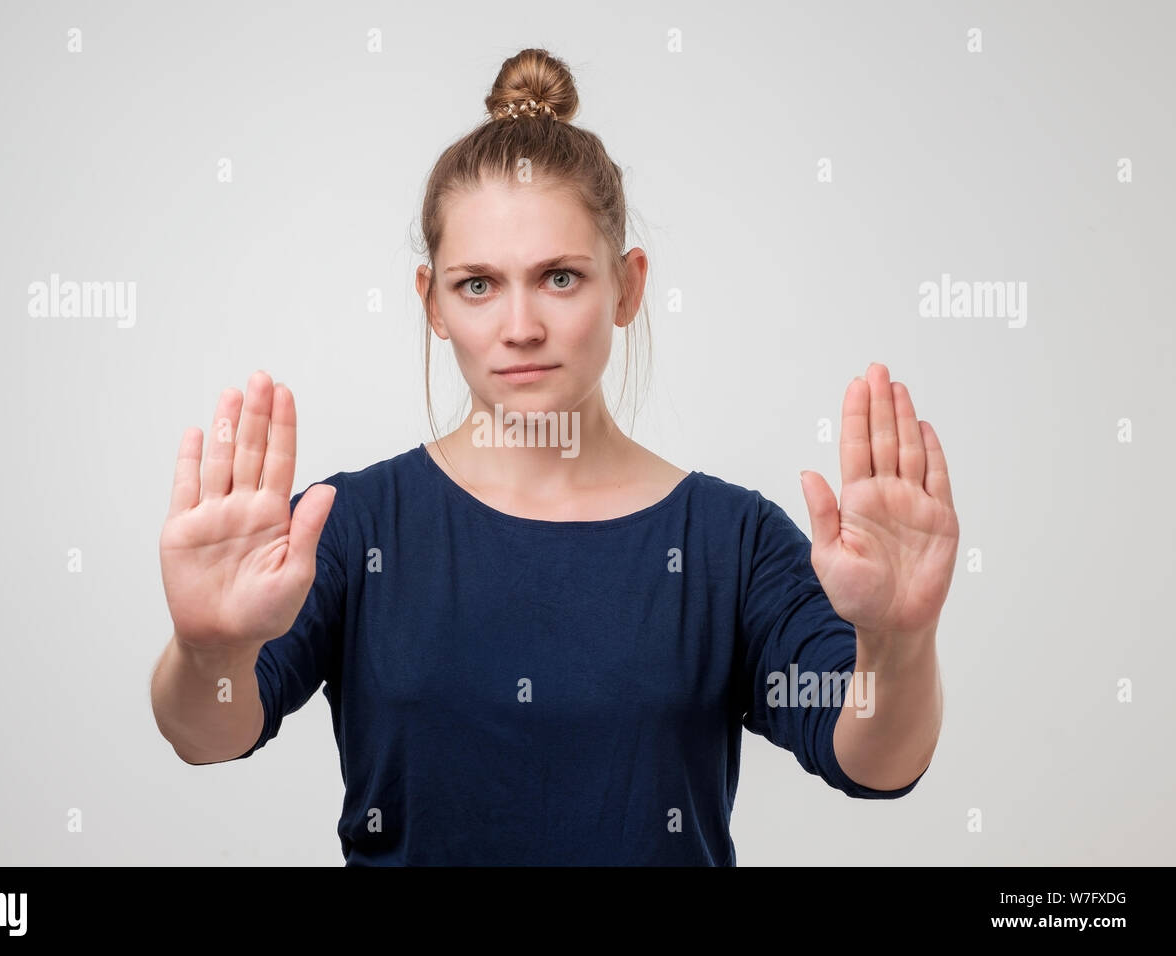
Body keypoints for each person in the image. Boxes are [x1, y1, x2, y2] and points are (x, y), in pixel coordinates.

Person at [149, 48, 959, 866]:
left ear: (628, 286)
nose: (521, 326)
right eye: (478, 285)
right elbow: (210, 734)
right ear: (431, 301)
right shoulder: (353, 525)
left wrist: (896, 645)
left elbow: (877, 760)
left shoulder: (731, 540)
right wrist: (209, 651)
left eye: (560, 278)